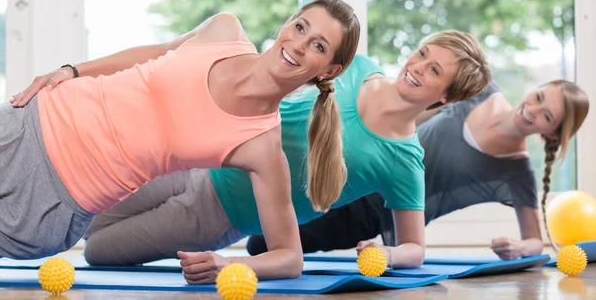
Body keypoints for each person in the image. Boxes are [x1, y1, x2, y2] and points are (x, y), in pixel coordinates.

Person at [81, 29, 491, 282]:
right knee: (83, 214)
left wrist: (389, 253)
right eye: (423, 54)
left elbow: (415, 247)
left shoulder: (404, 159)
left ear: (446, 97)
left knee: (97, 251)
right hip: (200, 158)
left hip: (219, 215)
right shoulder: (356, 66)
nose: (417, 67)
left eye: (435, 71)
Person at [5, 0, 360, 283]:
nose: (298, 45)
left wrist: (228, 264)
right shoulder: (224, 30)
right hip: (29, 123)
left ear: (329, 70)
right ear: (287, 23)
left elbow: (289, 257)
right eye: (300, 27)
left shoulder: (262, 147)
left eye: (318, 45)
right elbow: (153, 53)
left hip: (58, 200)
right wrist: (72, 70)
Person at [246, 80, 589, 261]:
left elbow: (534, 241)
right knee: (253, 207)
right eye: (541, 96)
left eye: (547, 116)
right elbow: (409, 113)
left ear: (552, 133)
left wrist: (518, 249)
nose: (533, 109)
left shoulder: (516, 172)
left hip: (373, 213)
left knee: (259, 245)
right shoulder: (482, 89)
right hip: (354, 167)